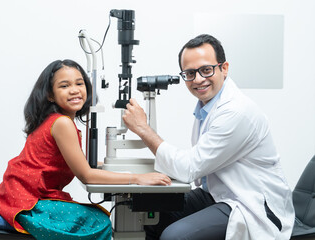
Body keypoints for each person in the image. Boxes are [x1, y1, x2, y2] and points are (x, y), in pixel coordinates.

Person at [122, 34, 295, 240]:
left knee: (175, 236)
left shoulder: (236, 112)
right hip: (217, 194)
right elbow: (196, 165)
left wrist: (143, 129)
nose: (198, 80)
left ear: (224, 68)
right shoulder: (207, 107)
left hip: (250, 204)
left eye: (206, 70)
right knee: (148, 216)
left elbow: (189, 168)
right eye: (190, 73)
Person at [0, 59, 171, 240]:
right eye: (64, 86)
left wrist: (106, 164)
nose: (74, 91)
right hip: (27, 202)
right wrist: (137, 178)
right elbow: (86, 175)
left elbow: (74, 162)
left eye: (79, 84)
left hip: (14, 194)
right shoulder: (62, 123)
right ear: (50, 94)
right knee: (99, 222)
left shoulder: (55, 121)